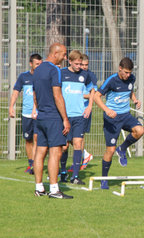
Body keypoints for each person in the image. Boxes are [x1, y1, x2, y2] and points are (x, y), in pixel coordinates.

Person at [94, 57, 144, 189]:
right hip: (112, 119)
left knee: (140, 130)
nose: (128, 75)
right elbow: (96, 96)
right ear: (120, 69)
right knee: (109, 151)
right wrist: (107, 110)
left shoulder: (131, 79)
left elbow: (130, 91)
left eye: (130, 73)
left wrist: (135, 100)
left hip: (126, 115)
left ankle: (122, 148)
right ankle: (104, 180)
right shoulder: (111, 80)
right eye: (126, 72)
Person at [32, 42, 72, 199]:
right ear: (55, 54)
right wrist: (65, 119)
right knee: (56, 152)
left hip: (41, 116)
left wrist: (39, 108)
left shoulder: (38, 69)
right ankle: (54, 190)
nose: (65, 57)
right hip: (53, 117)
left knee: (40, 152)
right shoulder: (55, 70)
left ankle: (39, 188)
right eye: (63, 54)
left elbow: (34, 94)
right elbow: (57, 95)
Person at [59, 50, 94, 185]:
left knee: (78, 144)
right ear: (70, 61)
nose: (79, 66)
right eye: (77, 64)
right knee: (64, 146)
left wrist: (89, 106)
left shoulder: (85, 75)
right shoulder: (61, 74)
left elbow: (92, 91)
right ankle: (63, 172)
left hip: (79, 116)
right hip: (65, 116)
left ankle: (75, 176)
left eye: (81, 64)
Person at [9, 54, 42, 174]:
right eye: (37, 64)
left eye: (40, 64)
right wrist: (11, 106)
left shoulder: (42, 77)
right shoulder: (24, 76)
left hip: (38, 114)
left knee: (37, 138)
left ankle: (36, 164)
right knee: (28, 140)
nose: (38, 66)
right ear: (31, 64)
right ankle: (31, 164)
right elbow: (16, 92)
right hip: (26, 114)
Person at [80, 54, 98, 170]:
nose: (84, 67)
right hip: (72, 109)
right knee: (69, 137)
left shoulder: (90, 76)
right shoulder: (73, 74)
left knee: (79, 136)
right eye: (82, 64)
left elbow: (94, 94)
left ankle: (82, 158)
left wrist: (80, 95)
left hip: (84, 110)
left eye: (86, 65)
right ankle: (85, 155)